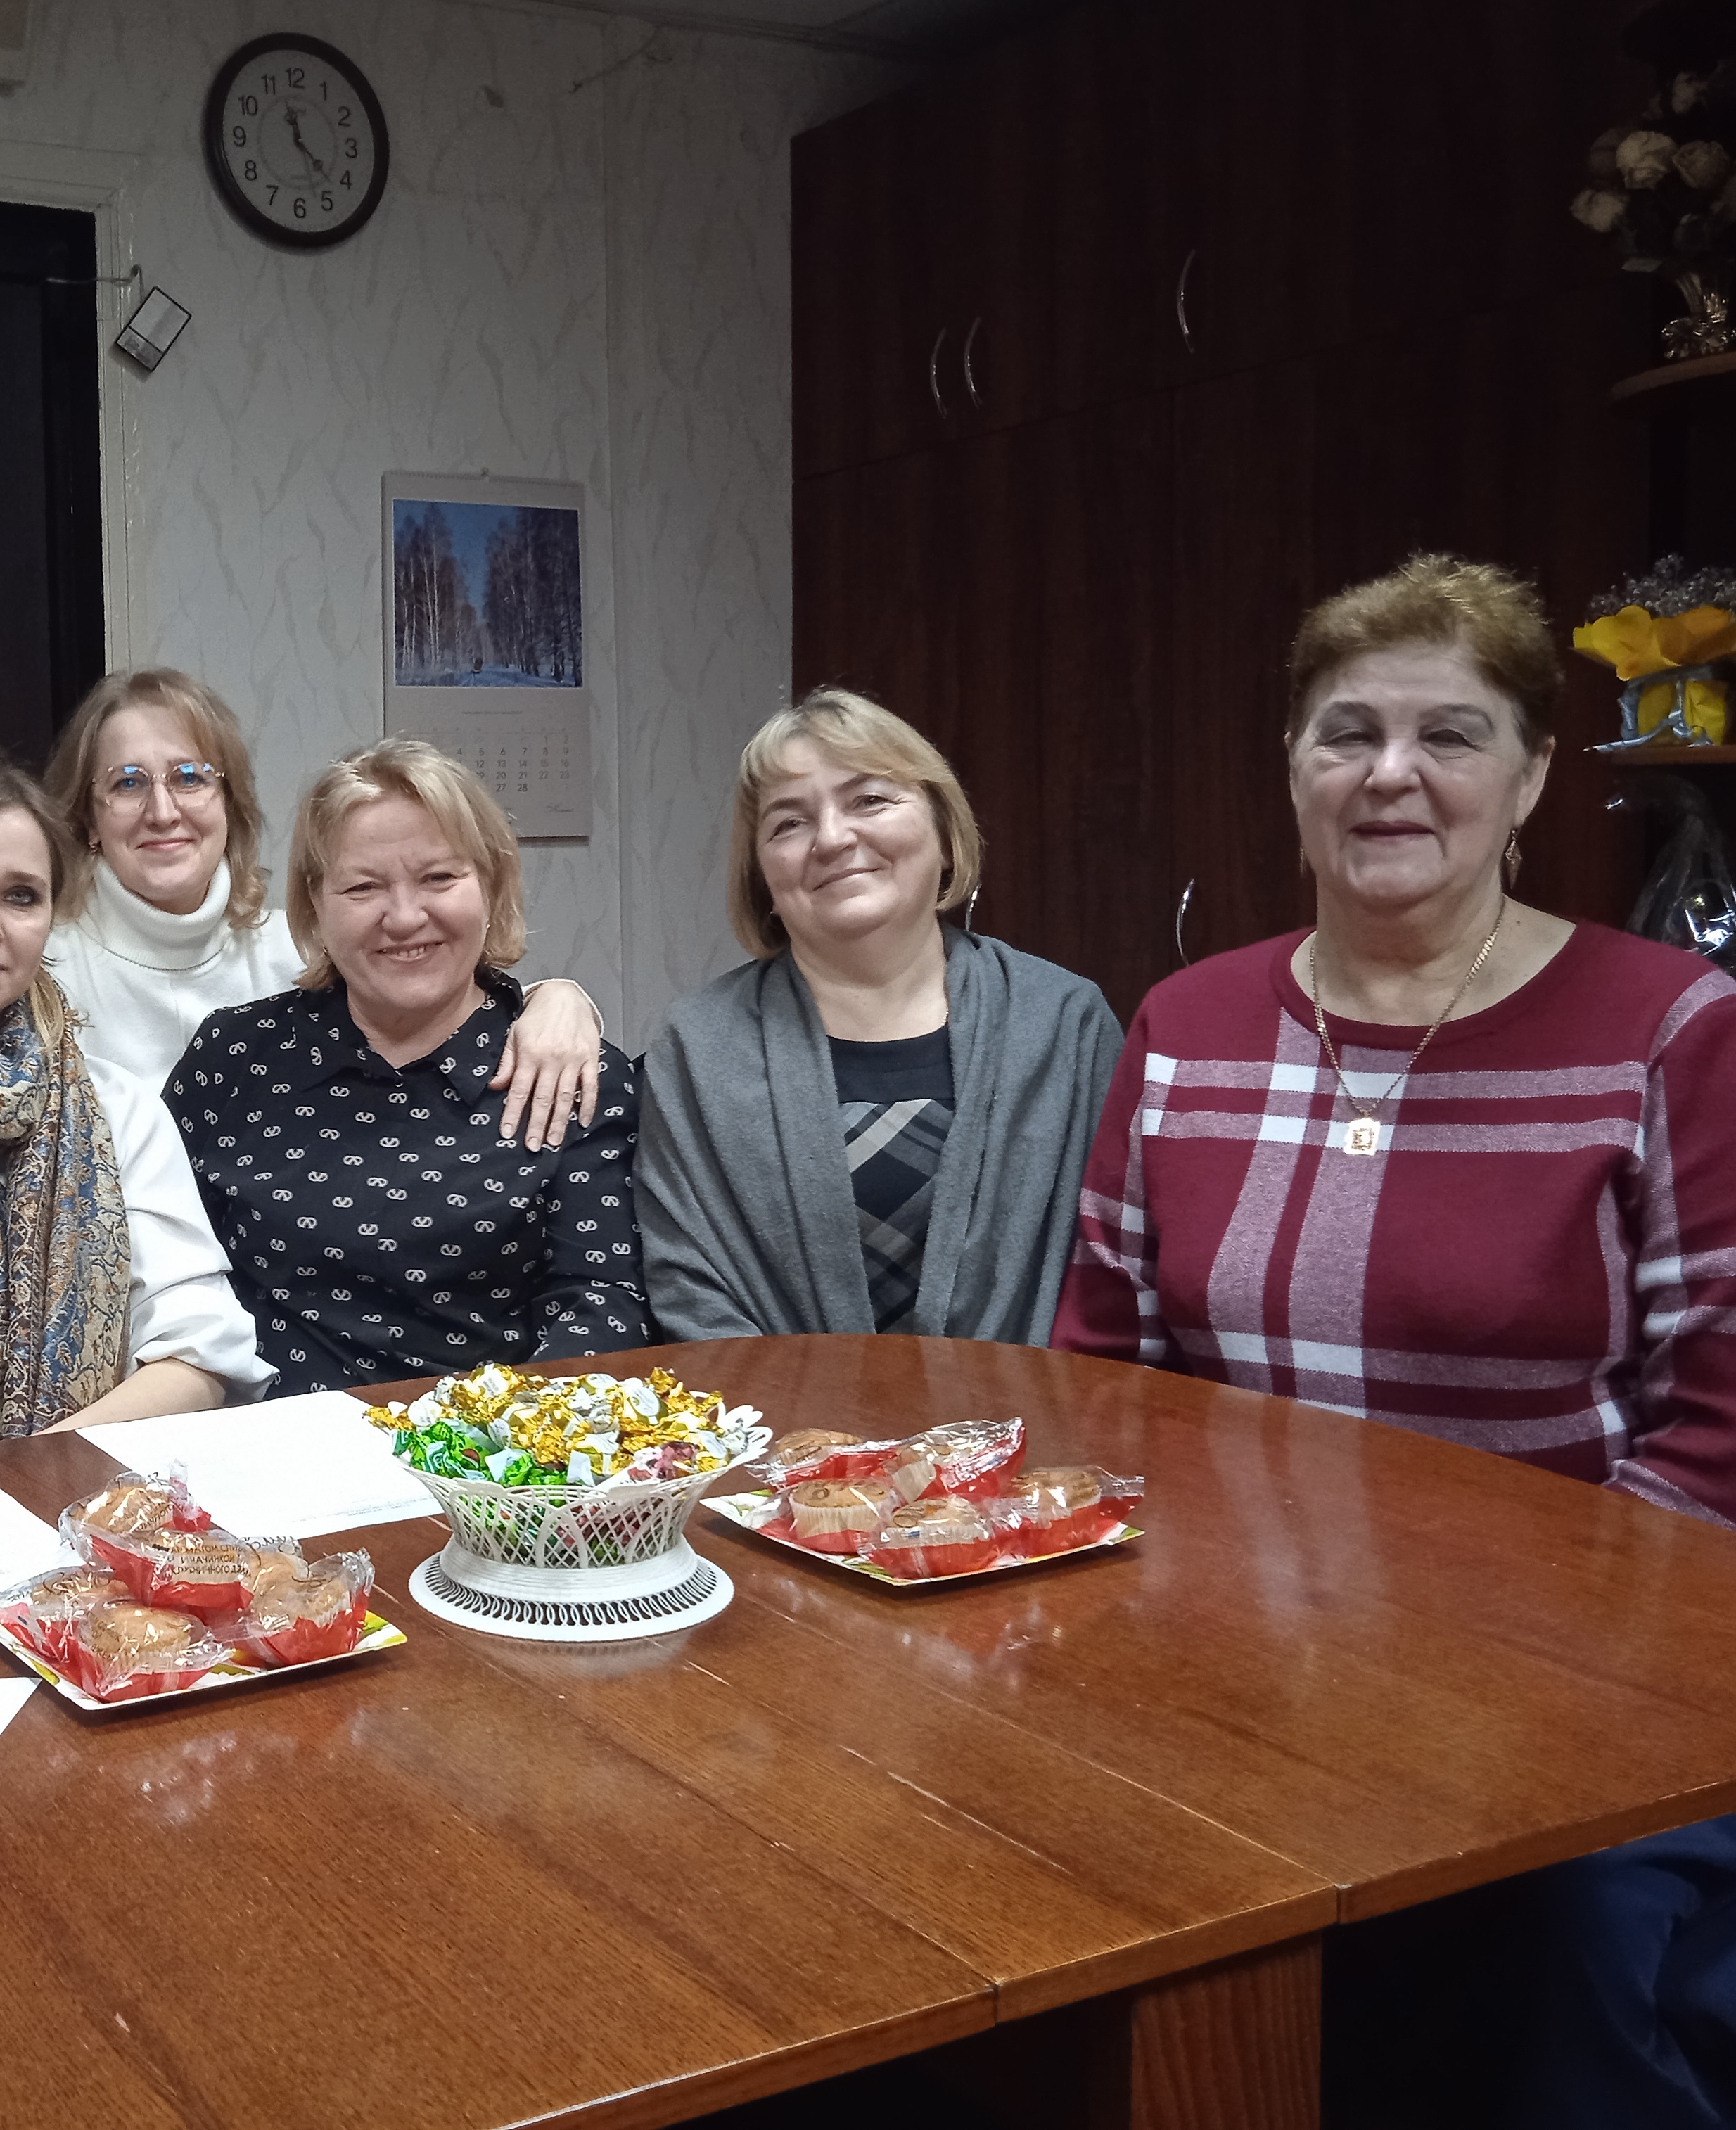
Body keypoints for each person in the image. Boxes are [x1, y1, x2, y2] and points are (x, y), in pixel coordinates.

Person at [1051, 553, 1736, 2129]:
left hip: (1585, 1702)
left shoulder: (1669, 1025)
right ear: (1293, 769)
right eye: (1346, 734)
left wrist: (1499, 1685)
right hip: (1234, 1669)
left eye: (1450, 735)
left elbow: (1716, 1429)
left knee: (1546, 1955)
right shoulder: (1184, 1027)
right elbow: (1105, 1382)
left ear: (1532, 776)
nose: (1389, 775)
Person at [0, 668, 607, 1149]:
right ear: (86, 818)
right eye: (127, 783)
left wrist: (559, 998)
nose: (162, 810)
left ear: (229, 803)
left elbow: (440, 1003)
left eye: (189, 778)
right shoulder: (32, 953)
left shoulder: (302, 948)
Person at [165, 738, 650, 1398]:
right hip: (262, 1440)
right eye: (363, 887)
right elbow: (163, 1275)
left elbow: (601, 1306)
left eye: (439, 878)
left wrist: (494, 1445)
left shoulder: (574, 1074)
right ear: (316, 904)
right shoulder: (234, 1056)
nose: (404, 916)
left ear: (491, 883)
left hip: (489, 1449)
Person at [639, 689, 1120, 1341]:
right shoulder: (698, 1045)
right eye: (788, 823)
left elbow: (1113, 1270)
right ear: (762, 879)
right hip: (769, 1409)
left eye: (869, 800)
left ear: (945, 835)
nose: (833, 839)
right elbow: (686, 1288)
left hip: (1040, 1407)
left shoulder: (1065, 1022)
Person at [0, 746, 267, 1438]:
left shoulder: (116, 1110)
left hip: (85, 1487)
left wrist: (25, 1472)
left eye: (20, 896)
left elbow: (201, 1349)